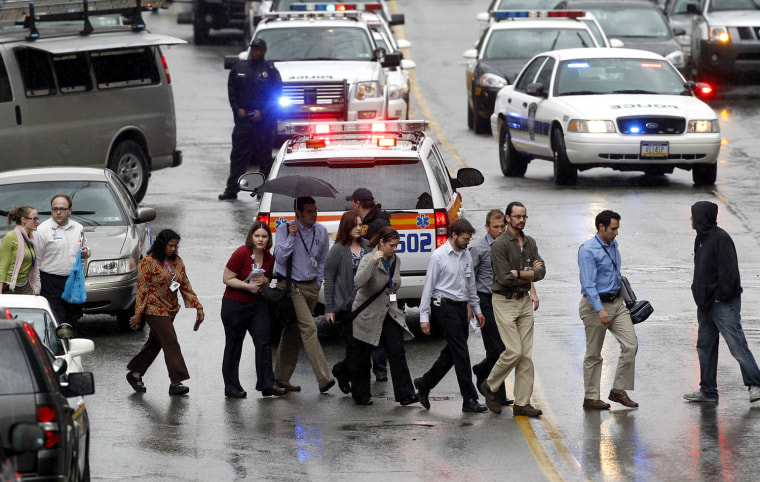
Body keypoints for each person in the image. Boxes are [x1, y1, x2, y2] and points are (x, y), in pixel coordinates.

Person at [683, 201, 760, 404]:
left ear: (701, 217)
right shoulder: (700, 238)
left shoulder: (721, 238)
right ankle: (708, 391)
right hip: (705, 304)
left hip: (722, 303)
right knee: (705, 346)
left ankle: (756, 384)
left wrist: (721, 296)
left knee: (736, 345)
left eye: (693, 215)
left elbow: (730, 272)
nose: (690, 219)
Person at [414, 218, 488, 413]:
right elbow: (428, 287)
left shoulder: (466, 256)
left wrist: (476, 310)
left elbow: (471, 286)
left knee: (453, 352)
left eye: (470, 239)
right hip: (444, 307)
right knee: (461, 353)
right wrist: (424, 317)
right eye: (465, 238)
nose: (467, 242)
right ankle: (469, 399)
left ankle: (425, 383)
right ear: (454, 235)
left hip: (460, 308)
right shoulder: (438, 257)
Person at [480, 202, 545, 417]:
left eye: (524, 216)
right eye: (517, 216)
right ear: (508, 218)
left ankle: (522, 403)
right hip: (504, 301)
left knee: (526, 356)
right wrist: (526, 273)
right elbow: (505, 278)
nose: (521, 220)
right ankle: (490, 384)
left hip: (524, 301)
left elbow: (542, 271)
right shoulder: (499, 245)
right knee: (514, 351)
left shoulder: (530, 242)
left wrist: (518, 274)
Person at [126, 229, 205, 396]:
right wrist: (138, 314)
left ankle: (135, 374)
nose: (173, 249)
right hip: (153, 309)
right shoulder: (147, 263)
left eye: (175, 246)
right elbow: (142, 290)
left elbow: (185, 286)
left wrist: (198, 307)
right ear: (162, 244)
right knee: (170, 341)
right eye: (170, 245)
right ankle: (176, 381)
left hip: (170, 308)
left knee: (156, 343)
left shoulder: (178, 262)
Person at [351, 226, 419, 406]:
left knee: (397, 351)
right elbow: (358, 282)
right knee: (362, 356)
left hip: (389, 311)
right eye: (391, 245)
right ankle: (361, 395)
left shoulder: (396, 260)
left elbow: (394, 285)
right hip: (367, 313)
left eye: (396, 245)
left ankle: (405, 394)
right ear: (381, 242)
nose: (394, 249)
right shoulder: (368, 258)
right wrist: (373, 262)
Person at [577, 210, 639, 410]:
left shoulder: (613, 245)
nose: (616, 233)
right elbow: (588, 284)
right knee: (594, 354)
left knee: (631, 345)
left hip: (616, 303)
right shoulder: (588, 250)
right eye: (613, 229)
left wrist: (625, 295)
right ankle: (591, 397)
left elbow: (615, 273)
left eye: (617, 228)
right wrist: (599, 310)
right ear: (601, 227)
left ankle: (618, 390)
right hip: (596, 306)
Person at [273, 196, 335, 393]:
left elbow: (324, 258)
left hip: (311, 286)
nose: (314, 214)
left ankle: (281, 378)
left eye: (315, 210)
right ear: (298, 213)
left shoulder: (321, 230)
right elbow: (280, 257)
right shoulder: (284, 229)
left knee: (292, 331)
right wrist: (291, 237)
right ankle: (323, 378)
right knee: (309, 328)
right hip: (292, 286)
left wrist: (318, 282)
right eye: (309, 211)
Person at [221, 221, 286, 398]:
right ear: (251, 237)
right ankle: (232, 386)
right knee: (234, 344)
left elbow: (266, 281)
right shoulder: (242, 252)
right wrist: (247, 286)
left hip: (257, 304)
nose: (261, 239)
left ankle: (267, 383)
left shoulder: (269, 258)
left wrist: (264, 282)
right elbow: (227, 278)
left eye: (264, 236)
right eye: (257, 236)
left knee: (264, 341)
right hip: (234, 304)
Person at [219, 37, 282, 201]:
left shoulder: (271, 71)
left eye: (259, 49)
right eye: (253, 49)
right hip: (243, 122)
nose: (255, 52)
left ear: (264, 51)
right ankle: (231, 189)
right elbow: (231, 90)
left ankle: (264, 191)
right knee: (238, 156)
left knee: (264, 158)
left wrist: (264, 113)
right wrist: (237, 109)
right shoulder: (239, 67)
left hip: (264, 123)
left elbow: (277, 96)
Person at [347, 187, 390, 381]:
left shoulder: (376, 223)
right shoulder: (369, 221)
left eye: (352, 202)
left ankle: (380, 370)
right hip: (367, 278)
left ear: (357, 203)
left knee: (374, 328)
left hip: (375, 282)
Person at [325, 210, 368, 395]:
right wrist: (329, 308)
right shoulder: (338, 250)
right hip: (347, 307)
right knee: (354, 347)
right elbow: (329, 279)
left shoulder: (367, 247)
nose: (358, 228)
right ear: (346, 227)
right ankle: (351, 380)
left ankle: (342, 371)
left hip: (365, 306)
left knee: (363, 349)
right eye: (355, 225)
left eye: (360, 225)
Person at [35, 195, 90, 331]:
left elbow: (87, 249)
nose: (58, 212)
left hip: (73, 280)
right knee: (57, 318)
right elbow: (36, 260)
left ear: (70, 211)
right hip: (50, 281)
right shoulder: (43, 230)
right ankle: (60, 347)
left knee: (73, 317)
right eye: (55, 209)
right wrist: (36, 287)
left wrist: (86, 251)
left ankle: (72, 345)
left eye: (62, 209)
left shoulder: (78, 228)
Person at [0, 205, 39, 295]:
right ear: (23, 220)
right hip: (9, 286)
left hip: (25, 285)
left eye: (37, 218)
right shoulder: (11, 237)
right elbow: (2, 266)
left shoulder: (30, 239)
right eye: (34, 218)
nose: (37, 222)